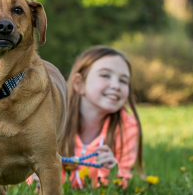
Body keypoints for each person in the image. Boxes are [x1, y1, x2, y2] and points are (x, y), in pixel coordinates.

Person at [27, 45, 144, 189]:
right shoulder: (49, 118)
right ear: (79, 83)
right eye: (105, 75)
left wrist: (112, 172)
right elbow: (23, 172)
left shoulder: (127, 127)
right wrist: (35, 180)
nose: (116, 85)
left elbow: (121, 184)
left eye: (123, 81)